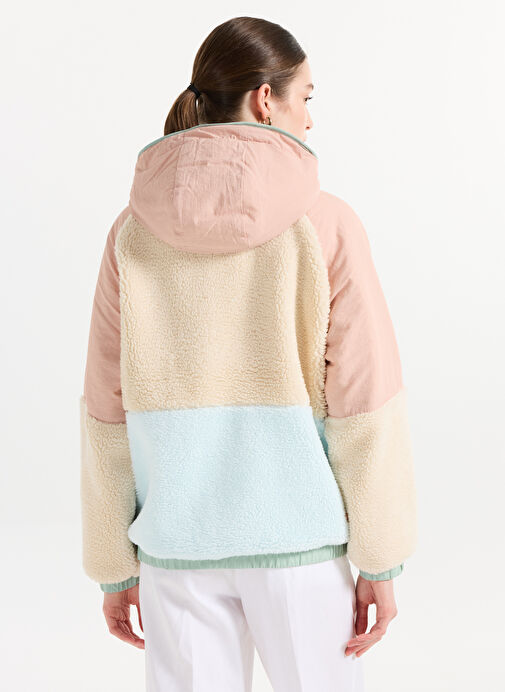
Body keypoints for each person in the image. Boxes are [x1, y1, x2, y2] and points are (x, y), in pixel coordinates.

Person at [79, 15, 418, 692]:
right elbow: (363, 399)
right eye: (306, 97)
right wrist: (380, 558)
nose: (309, 119)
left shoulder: (131, 232)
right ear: (266, 99)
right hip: (299, 548)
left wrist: (113, 563)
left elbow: (105, 406)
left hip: (177, 547)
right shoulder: (326, 224)